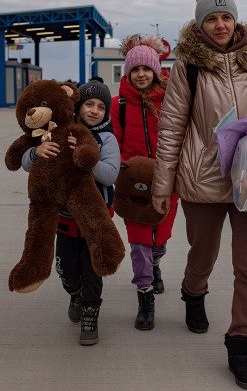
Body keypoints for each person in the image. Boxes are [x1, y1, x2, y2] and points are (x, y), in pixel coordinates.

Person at [151, 0, 247, 389]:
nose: (220, 25)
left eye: (226, 17)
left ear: (236, 20)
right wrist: (162, 185)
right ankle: (193, 291)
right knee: (203, 253)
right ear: (201, 23)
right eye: (212, 18)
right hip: (203, 177)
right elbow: (171, 129)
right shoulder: (188, 67)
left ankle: (240, 345)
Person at [21, 80, 120, 346]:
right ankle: (74, 293)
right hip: (64, 218)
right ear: (77, 105)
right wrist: (36, 152)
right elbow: (25, 163)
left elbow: (110, 174)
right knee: (66, 269)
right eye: (89, 104)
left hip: (94, 221)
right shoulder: (55, 130)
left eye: (101, 106)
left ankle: (90, 313)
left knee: (92, 271)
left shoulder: (106, 138)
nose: (95, 110)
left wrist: (86, 157)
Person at [111, 35, 179, 331]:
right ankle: (145, 296)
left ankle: (156, 263)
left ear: (156, 71)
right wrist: (120, 170)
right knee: (139, 243)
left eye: (146, 69)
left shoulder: (169, 101)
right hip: (132, 185)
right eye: (135, 69)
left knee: (160, 239)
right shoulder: (119, 105)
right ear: (128, 72)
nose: (141, 74)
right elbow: (112, 142)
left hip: (166, 182)